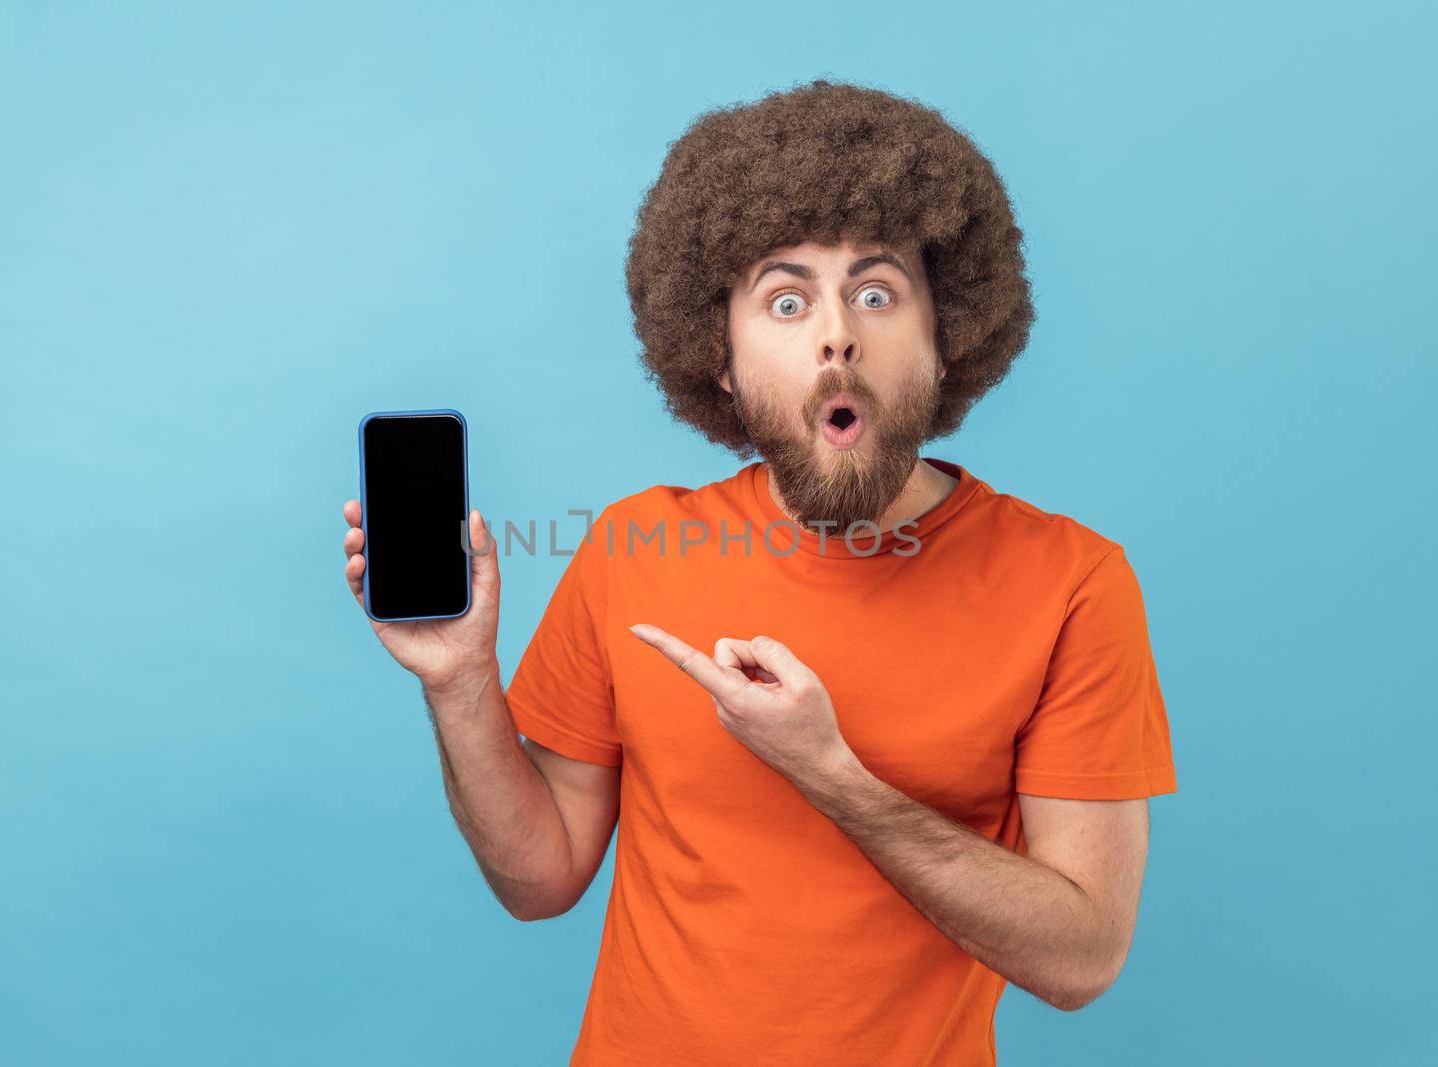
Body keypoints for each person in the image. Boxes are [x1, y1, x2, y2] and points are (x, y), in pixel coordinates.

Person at [340, 78, 1177, 1066]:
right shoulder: (633, 546)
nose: (836, 333)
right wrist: (460, 682)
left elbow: (1081, 957)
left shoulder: (1072, 583)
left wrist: (830, 773)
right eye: (786, 300)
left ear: (946, 338)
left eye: (875, 293)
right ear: (721, 359)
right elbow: (540, 879)